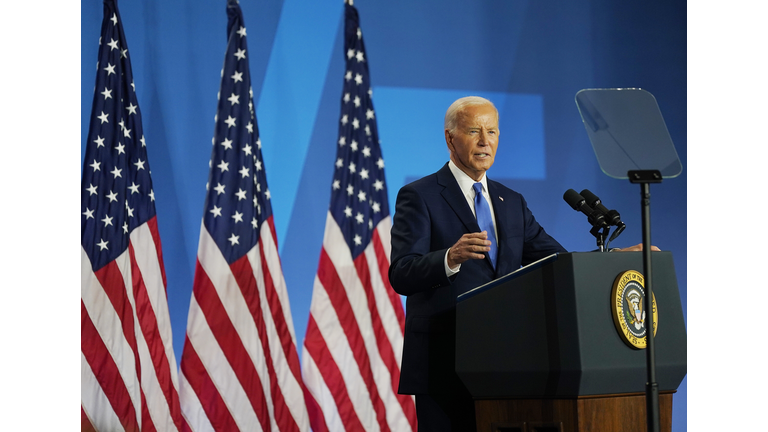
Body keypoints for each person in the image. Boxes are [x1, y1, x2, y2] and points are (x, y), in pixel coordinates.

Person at [388, 96, 652, 431]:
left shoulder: (511, 201)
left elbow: (557, 261)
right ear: (450, 137)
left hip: (508, 365)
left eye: (493, 132)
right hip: (445, 365)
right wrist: (449, 258)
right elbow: (401, 273)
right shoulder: (420, 195)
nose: (485, 141)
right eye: (474, 131)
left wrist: (610, 260)